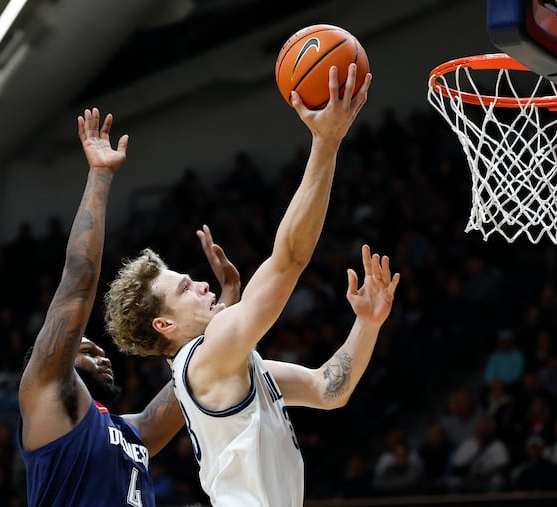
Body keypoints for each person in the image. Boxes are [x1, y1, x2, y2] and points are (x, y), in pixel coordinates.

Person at [104, 63, 399, 506]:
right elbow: (289, 261)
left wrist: (368, 323)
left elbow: (326, 391)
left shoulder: (232, 364)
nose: (202, 285)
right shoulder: (207, 356)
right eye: (185, 289)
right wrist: (326, 142)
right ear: (164, 325)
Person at [17, 108, 240, 506]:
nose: (101, 354)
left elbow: (191, 381)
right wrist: (100, 177)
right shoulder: (46, 389)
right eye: (86, 350)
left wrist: (227, 298)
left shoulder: (128, 432)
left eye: (98, 348)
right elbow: (77, 281)